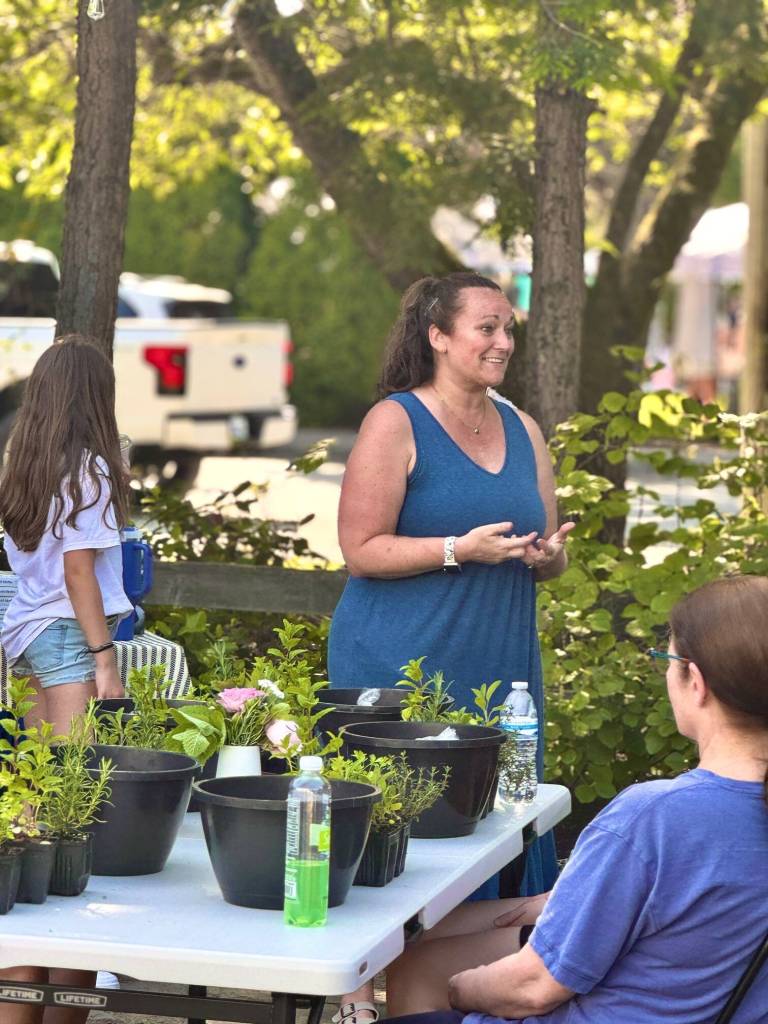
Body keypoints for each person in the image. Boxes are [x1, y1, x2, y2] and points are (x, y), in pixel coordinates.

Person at [326, 272, 574, 1024]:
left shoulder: (523, 427)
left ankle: (453, 1007)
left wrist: (549, 557)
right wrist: (455, 550)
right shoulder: (395, 424)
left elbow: (552, 546)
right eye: (486, 328)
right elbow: (359, 547)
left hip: (499, 671)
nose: (503, 342)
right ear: (438, 336)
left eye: (508, 330)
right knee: (408, 857)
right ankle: (364, 1001)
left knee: (491, 850)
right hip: (402, 668)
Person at [378, 575, 768, 1024]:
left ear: (695, 681)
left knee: (426, 973)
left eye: (667, 657)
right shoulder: (678, 820)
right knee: (431, 943)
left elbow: (531, 989)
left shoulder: (651, 817)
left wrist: (461, 987)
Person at [0, 334, 132, 1024]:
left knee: (30, 814)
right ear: (95, 400)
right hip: (66, 641)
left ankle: (24, 978)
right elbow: (80, 572)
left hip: (20, 639)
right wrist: (103, 653)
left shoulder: (22, 462)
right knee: (72, 818)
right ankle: (61, 997)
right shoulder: (89, 472)